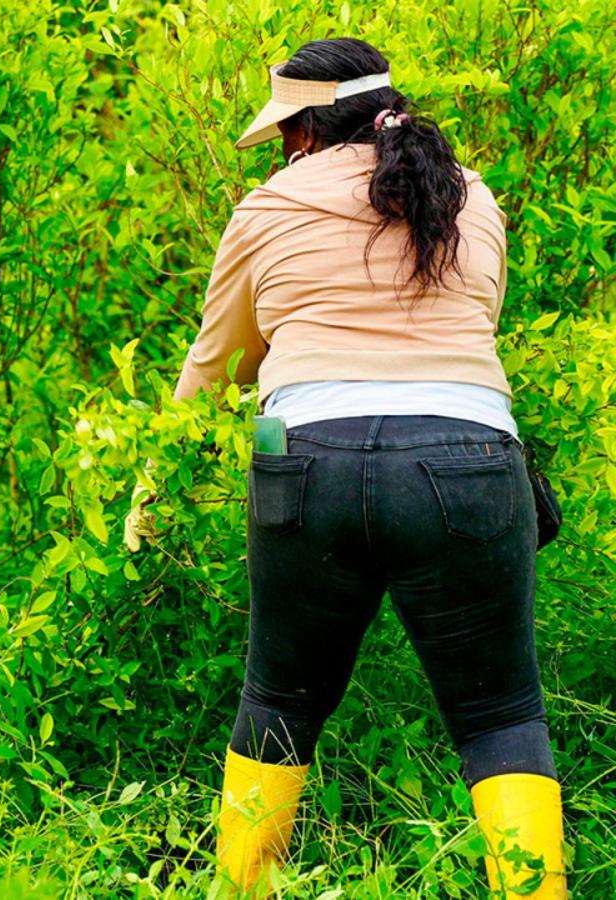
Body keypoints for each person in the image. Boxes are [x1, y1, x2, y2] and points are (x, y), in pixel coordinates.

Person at [125, 39, 564, 898]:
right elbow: (475, 328)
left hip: (306, 466)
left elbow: (215, 369)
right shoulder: (470, 197)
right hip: (467, 461)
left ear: (305, 131)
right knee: (502, 716)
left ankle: (243, 890)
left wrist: (150, 489)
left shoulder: (269, 205)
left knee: (278, 704)